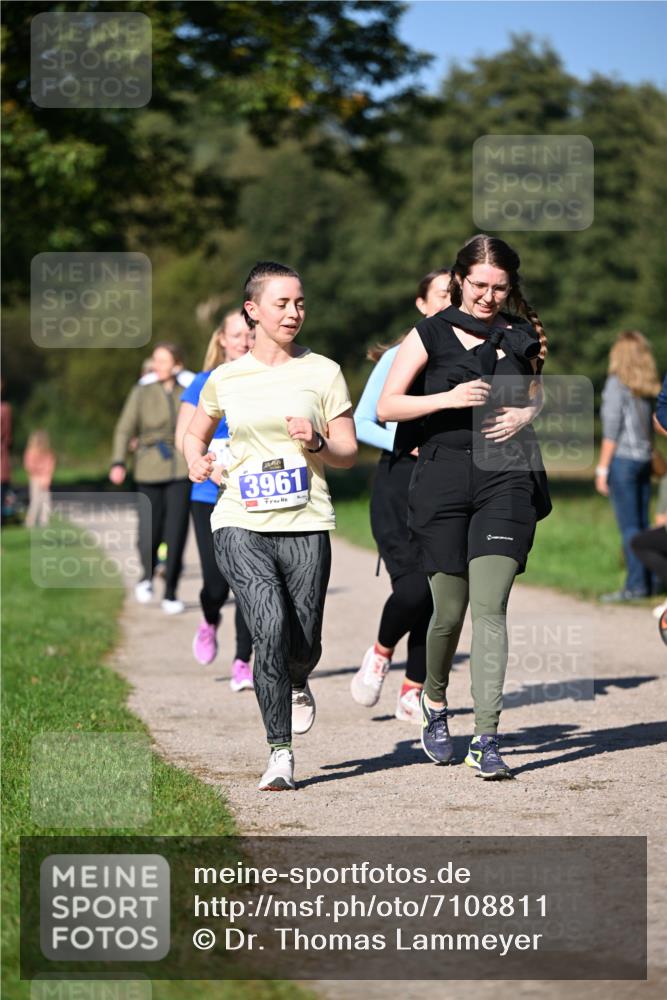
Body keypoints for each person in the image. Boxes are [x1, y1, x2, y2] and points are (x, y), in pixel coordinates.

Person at [378, 233, 550, 780]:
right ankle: (434, 700)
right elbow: (386, 405)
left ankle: (486, 738)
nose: (488, 297)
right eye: (479, 285)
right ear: (459, 280)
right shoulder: (429, 332)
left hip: (507, 478)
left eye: (499, 288)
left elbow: (536, 391)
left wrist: (526, 414)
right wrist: (447, 399)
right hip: (444, 479)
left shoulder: (520, 334)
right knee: (448, 613)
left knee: (490, 607)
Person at [184, 261, 357, 791]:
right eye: (282, 303)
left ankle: (299, 677)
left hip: (306, 519)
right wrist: (196, 461)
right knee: (268, 624)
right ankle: (279, 752)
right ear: (252, 310)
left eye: (299, 303)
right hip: (239, 517)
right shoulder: (226, 377)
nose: (293, 312)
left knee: (303, 640)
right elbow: (194, 433)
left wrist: (317, 441)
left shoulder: (323, 371)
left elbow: (348, 451)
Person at [351, 269, 451, 722]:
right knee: (412, 589)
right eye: (442, 295)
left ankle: (412, 690)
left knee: (438, 594)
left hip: (446, 485)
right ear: (422, 304)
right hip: (398, 485)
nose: (450, 302)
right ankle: (380, 652)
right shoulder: (398, 355)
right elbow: (362, 421)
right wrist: (405, 442)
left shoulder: (466, 355)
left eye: (455, 295)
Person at [175, 310, 256, 688]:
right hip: (208, 494)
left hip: (251, 495)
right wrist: (204, 464)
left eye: (249, 334)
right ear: (222, 339)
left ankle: (242, 661)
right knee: (216, 584)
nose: (244, 341)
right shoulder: (203, 382)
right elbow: (184, 436)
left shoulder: (263, 379)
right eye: (236, 335)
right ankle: (209, 618)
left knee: (248, 582)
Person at [110, 343, 191, 614]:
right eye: (155, 360)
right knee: (149, 531)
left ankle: (171, 592)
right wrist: (118, 461)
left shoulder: (187, 391)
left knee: (176, 531)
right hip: (148, 467)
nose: (157, 365)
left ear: (177, 365)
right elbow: (124, 428)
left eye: (163, 361)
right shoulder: (142, 392)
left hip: (181, 468)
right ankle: (147, 574)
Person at [596, 331, 661, 602]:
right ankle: (652, 580)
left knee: (630, 527)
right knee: (643, 525)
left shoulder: (616, 384)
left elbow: (612, 430)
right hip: (644, 460)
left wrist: (602, 468)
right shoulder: (645, 388)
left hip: (623, 460)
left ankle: (635, 586)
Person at [23, 430, 56, 528]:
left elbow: (50, 465)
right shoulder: (31, 451)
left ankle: (44, 522)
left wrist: (46, 477)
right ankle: (30, 522)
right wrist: (40, 471)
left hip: (45, 478)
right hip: (35, 478)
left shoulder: (48, 452)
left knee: (46, 500)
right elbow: (29, 466)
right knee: (35, 501)